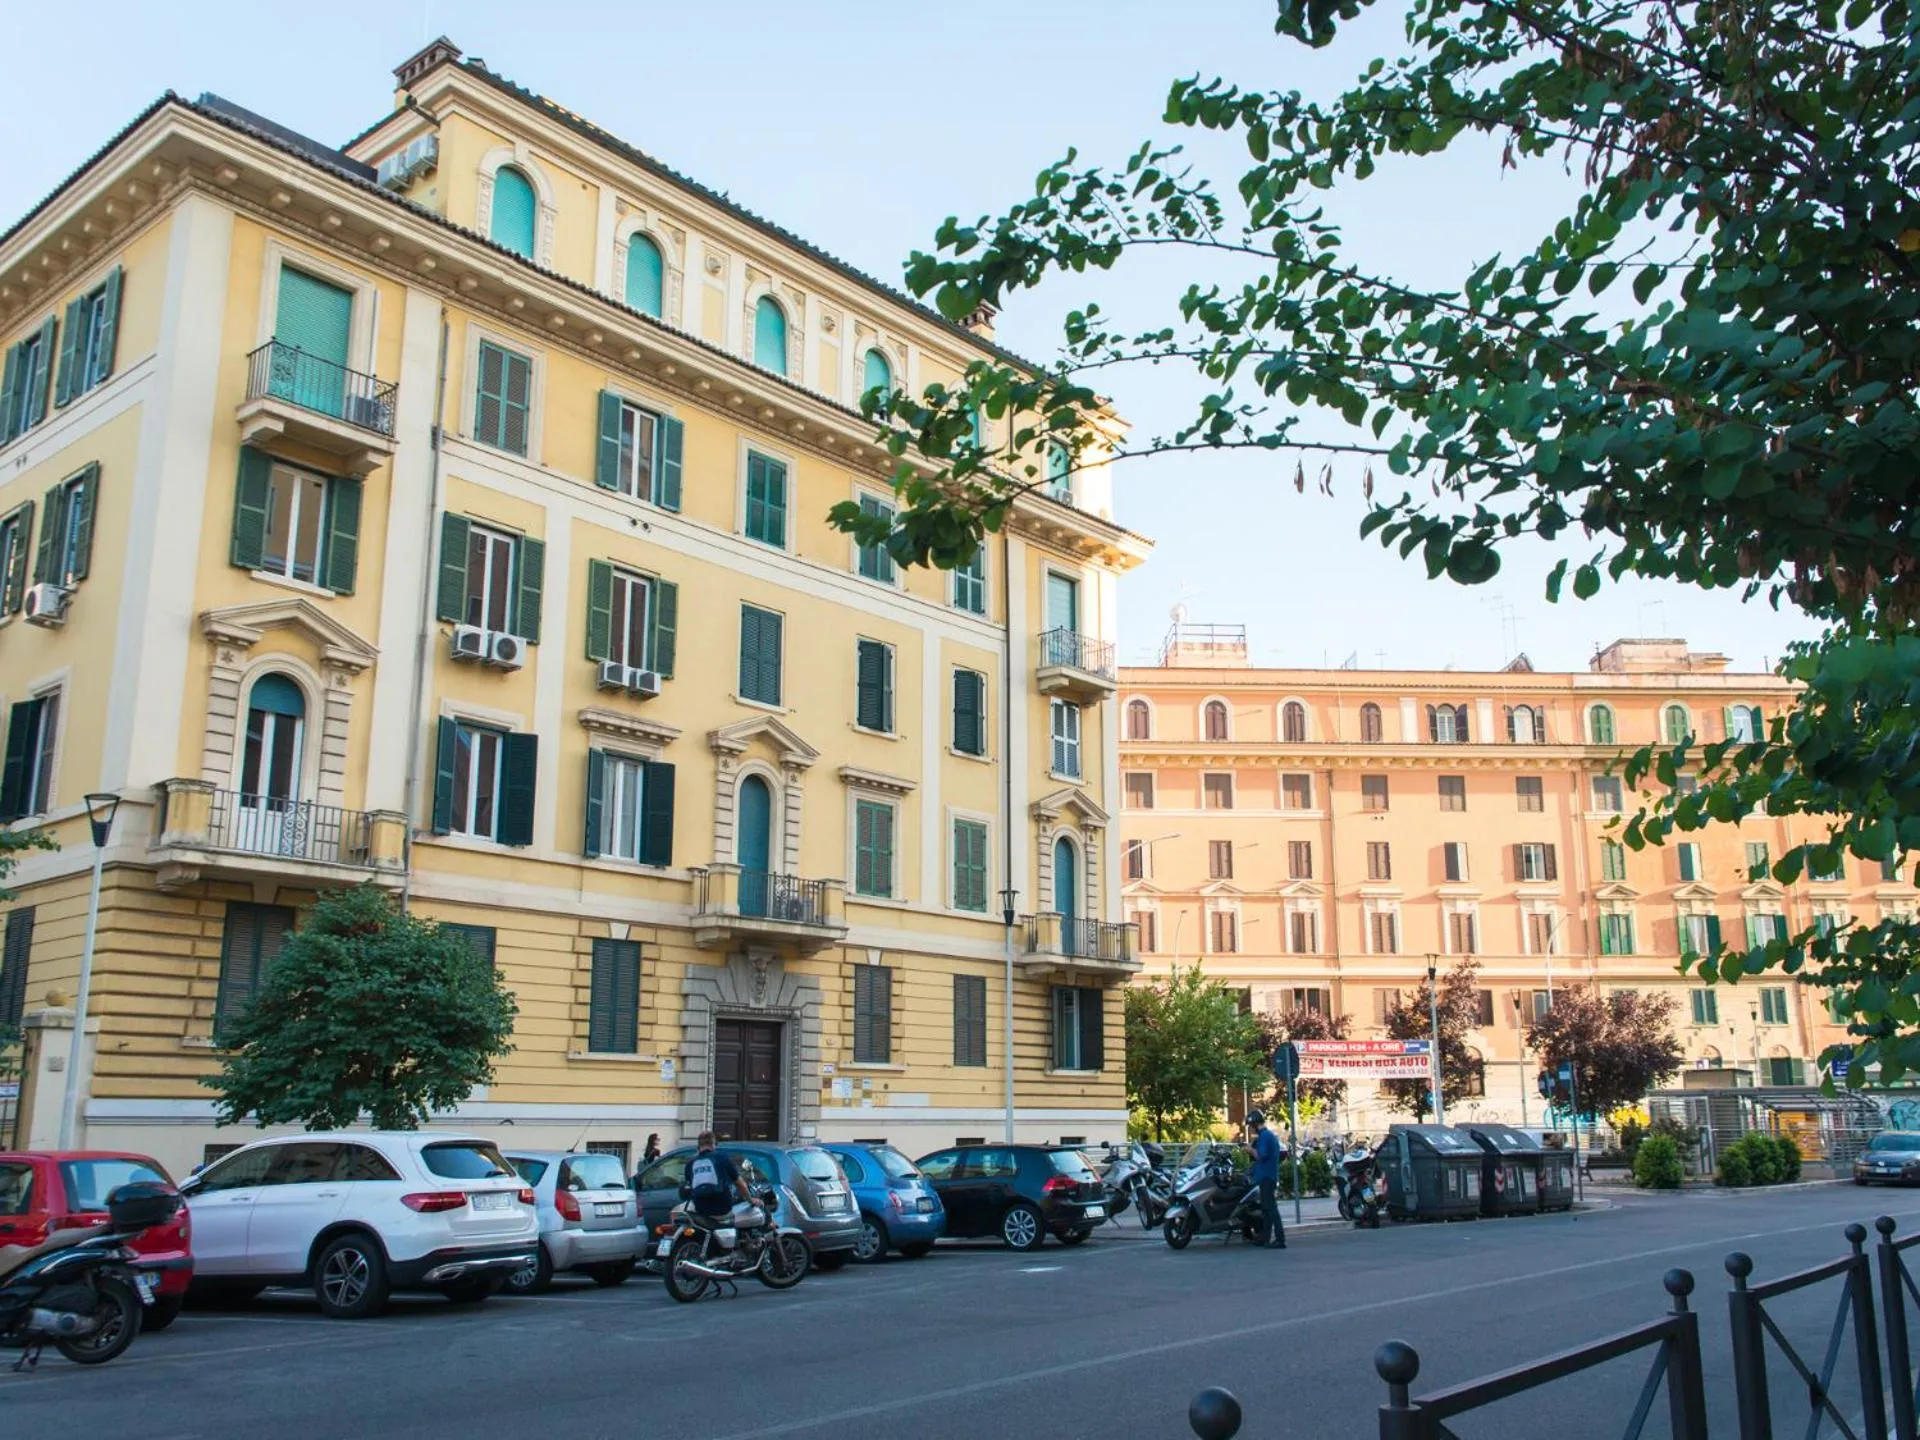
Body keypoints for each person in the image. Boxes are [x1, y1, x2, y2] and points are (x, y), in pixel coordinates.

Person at [682, 1131, 749, 1220]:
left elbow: (689, 1186)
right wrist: (750, 1200)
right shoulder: (722, 1158)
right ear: (713, 1144)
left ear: (698, 1146)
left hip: (701, 1211)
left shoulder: (690, 1163)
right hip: (722, 1210)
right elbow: (740, 1184)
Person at [1247, 1111, 1285, 1249]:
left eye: (1251, 1125)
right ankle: (1265, 1237)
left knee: (1271, 1208)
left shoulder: (1265, 1137)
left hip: (1266, 1177)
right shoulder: (1268, 1135)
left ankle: (1280, 1239)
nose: (1251, 1128)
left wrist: (1249, 1149)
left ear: (1255, 1124)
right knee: (1266, 1209)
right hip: (1268, 1176)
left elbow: (1261, 1156)